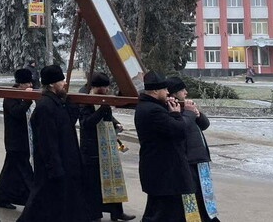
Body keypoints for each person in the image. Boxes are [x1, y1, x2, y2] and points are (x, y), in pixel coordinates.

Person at [18, 65, 88, 222]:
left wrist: (70, 105)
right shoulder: (45, 106)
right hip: (54, 168)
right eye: (60, 80)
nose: (64, 83)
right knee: (41, 207)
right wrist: (55, 169)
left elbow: (67, 125)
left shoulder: (56, 102)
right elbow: (47, 142)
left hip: (65, 164)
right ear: (51, 84)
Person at [135, 71, 197, 222]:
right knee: (163, 214)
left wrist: (174, 113)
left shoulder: (148, 106)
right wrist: (186, 113)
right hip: (164, 173)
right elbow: (179, 130)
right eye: (165, 89)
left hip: (161, 173)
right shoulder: (153, 110)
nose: (168, 92)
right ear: (155, 91)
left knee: (159, 211)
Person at [79, 72, 135, 222]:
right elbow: (87, 123)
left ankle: (117, 212)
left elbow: (107, 114)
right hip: (92, 149)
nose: (106, 89)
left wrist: (115, 122)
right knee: (94, 184)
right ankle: (94, 214)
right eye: (103, 87)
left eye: (107, 86)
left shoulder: (104, 100)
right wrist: (102, 110)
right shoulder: (86, 101)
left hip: (108, 146)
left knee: (113, 179)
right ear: (96, 87)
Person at [168, 77, 220, 222]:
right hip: (189, 158)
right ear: (173, 93)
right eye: (182, 90)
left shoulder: (187, 106)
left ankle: (209, 216)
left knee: (206, 191)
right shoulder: (172, 108)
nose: (186, 92)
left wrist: (198, 114)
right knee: (193, 193)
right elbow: (180, 127)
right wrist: (187, 113)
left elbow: (204, 125)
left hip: (200, 156)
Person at [0, 69, 35, 210]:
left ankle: (2, 197)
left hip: (22, 140)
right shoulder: (11, 96)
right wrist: (28, 101)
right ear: (20, 83)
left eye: (31, 82)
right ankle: (34, 199)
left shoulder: (21, 95)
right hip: (15, 141)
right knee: (25, 172)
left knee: (10, 171)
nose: (30, 85)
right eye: (27, 82)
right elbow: (17, 113)